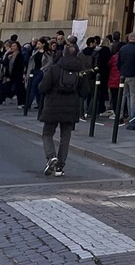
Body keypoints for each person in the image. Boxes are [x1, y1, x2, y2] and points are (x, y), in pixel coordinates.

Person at [38, 43, 92, 177]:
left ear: (64, 53)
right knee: (65, 137)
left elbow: (43, 87)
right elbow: (85, 92)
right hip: (71, 107)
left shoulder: (54, 68)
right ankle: (60, 167)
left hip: (53, 105)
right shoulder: (80, 72)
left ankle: (51, 156)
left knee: (47, 133)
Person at [116, 32, 135, 119]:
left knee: (122, 96)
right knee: (133, 96)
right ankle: (132, 116)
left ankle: (119, 115)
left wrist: (122, 71)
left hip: (123, 75)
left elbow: (118, 63)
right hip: (134, 75)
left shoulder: (123, 48)